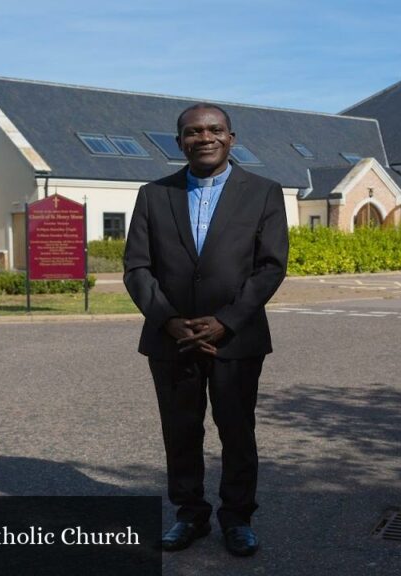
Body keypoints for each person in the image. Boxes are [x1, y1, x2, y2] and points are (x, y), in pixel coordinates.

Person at [123, 103, 288, 557]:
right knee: (180, 431)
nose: (204, 137)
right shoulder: (154, 194)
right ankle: (189, 514)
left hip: (235, 340)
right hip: (169, 339)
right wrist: (169, 321)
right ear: (179, 142)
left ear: (232, 137)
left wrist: (226, 321)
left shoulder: (264, 192)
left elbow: (271, 267)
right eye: (193, 131)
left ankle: (237, 518)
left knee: (236, 431)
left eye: (215, 129)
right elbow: (137, 266)